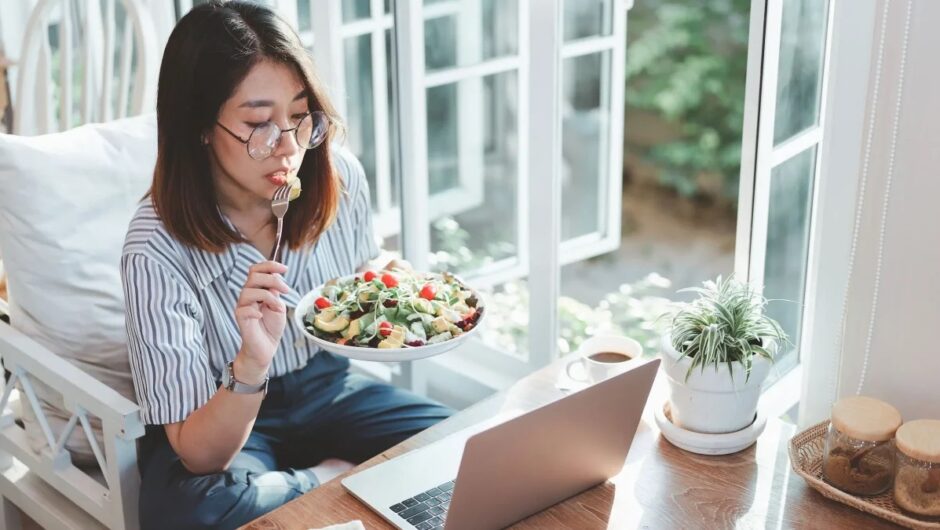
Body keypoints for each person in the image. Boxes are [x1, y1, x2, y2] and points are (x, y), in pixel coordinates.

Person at [120, 2, 453, 528]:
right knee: (193, 512)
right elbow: (198, 455)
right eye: (259, 124)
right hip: (221, 416)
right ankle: (331, 479)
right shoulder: (154, 246)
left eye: (300, 118)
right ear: (200, 126)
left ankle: (317, 489)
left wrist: (388, 290)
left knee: (464, 445)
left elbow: (355, 286)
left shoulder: (338, 177)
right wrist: (251, 361)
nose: (290, 148)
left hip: (328, 387)